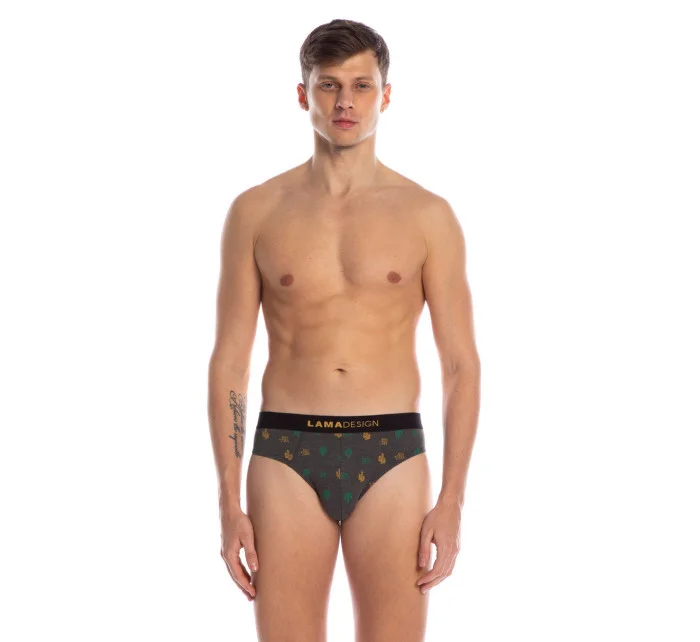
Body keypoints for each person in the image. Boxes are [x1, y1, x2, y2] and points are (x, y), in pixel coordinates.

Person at [207, 18, 481, 642]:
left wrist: (453, 500)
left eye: (361, 86)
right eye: (329, 85)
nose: (345, 103)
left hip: (392, 453)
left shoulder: (428, 215)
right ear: (303, 94)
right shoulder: (256, 211)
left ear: (387, 95)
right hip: (285, 453)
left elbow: (460, 366)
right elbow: (229, 363)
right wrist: (228, 503)